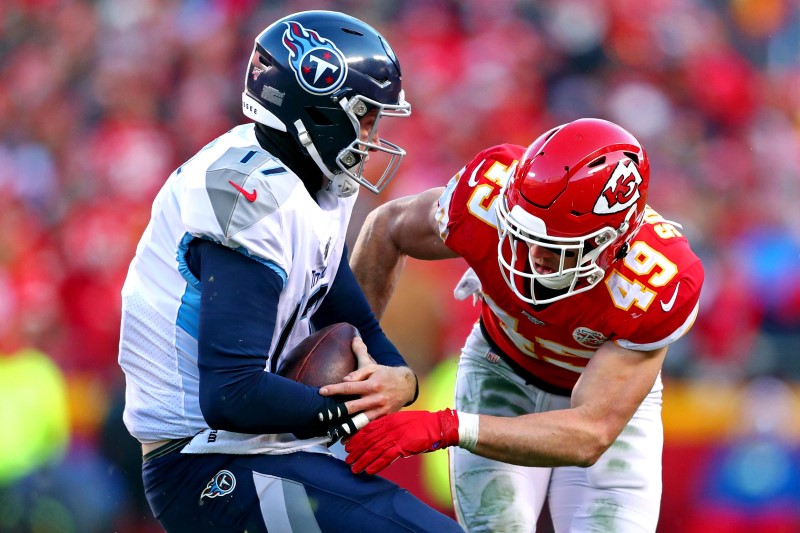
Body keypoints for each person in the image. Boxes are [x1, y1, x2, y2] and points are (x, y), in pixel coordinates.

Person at [117, 10, 463, 533]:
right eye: (365, 115)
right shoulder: (248, 196)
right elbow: (231, 393)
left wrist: (400, 380)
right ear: (317, 112)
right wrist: (351, 409)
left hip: (258, 446)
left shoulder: (308, 180)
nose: (372, 135)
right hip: (203, 462)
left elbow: (347, 310)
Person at [337, 118, 705, 532]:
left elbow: (590, 432)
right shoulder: (485, 198)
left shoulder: (656, 281)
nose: (531, 256)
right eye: (521, 235)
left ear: (614, 242)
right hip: (501, 367)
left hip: (602, 404)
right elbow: (388, 227)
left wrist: (446, 426)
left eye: (555, 249)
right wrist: (349, 355)